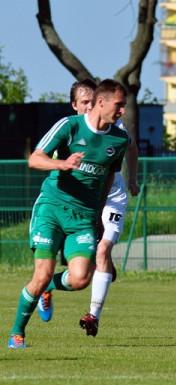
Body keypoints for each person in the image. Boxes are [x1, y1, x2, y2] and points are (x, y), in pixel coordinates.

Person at [7, 79, 130, 349]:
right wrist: (61, 163)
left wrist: (98, 214)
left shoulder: (119, 140)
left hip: (84, 216)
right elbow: (34, 158)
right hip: (51, 208)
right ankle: (17, 332)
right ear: (102, 102)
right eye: (119, 105)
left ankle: (46, 288)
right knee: (42, 273)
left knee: (80, 279)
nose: (122, 111)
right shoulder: (70, 126)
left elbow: (109, 175)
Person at [35, 79, 140, 337]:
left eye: (90, 101)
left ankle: (93, 315)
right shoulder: (70, 130)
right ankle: (45, 284)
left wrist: (132, 178)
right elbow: (42, 159)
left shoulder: (115, 127)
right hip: (75, 203)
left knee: (103, 250)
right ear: (75, 105)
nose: (88, 106)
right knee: (83, 269)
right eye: (83, 102)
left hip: (111, 196)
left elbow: (132, 147)